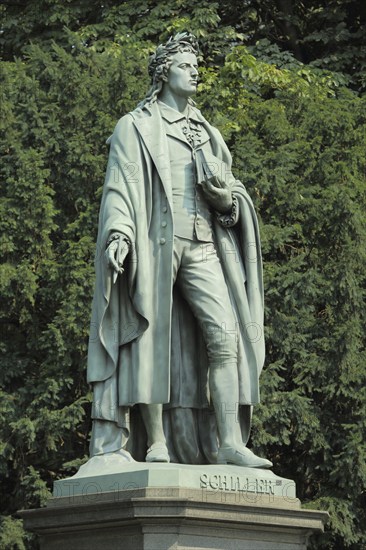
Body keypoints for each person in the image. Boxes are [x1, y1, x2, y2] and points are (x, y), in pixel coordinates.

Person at [87, 32, 272, 468]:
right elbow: (119, 189)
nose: (194, 72)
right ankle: (156, 442)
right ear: (163, 72)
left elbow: (234, 194)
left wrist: (227, 203)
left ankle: (229, 442)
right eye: (186, 65)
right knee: (151, 336)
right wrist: (119, 236)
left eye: (196, 66)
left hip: (205, 243)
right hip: (156, 244)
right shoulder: (136, 126)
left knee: (225, 336)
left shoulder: (208, 132)